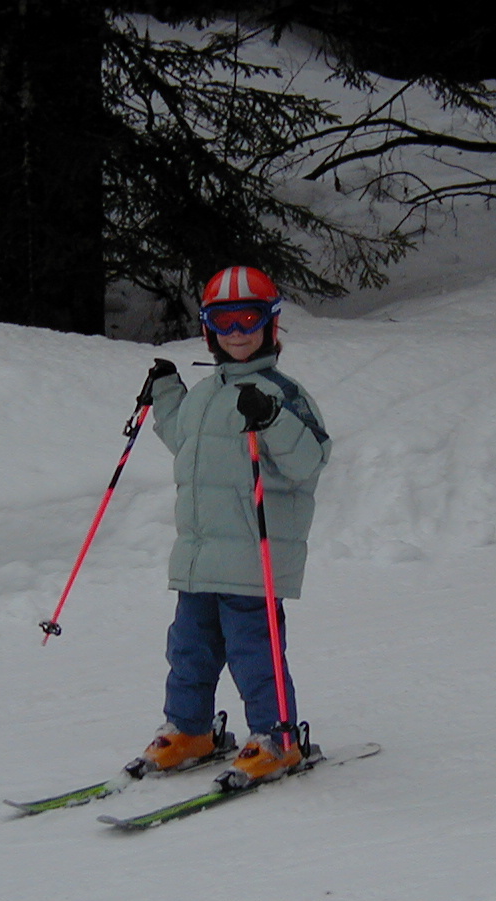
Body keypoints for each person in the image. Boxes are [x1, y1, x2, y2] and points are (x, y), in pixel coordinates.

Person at [133, 266, 331, 789]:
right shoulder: (204, 394)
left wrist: (272, 418)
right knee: (188, 651)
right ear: (208, 328)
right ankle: (190, 730)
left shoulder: (283, 393)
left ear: (271, 324)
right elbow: (186, 442)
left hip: (253, 556)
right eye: (224, 321)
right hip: (200, 556)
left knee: (254, 654)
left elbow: (309, 461)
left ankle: (277, 738)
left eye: (249, 319)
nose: (237, 332)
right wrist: (167, 393)